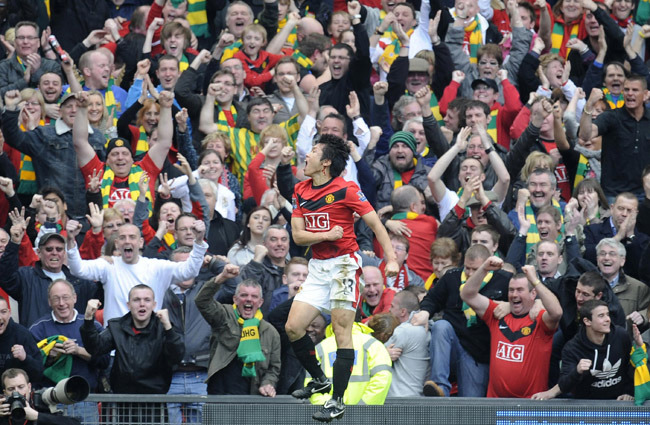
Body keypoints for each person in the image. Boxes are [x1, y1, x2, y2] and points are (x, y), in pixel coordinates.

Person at [284, 134, 398, 422]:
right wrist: (326, 235)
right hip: (318, 267)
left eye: (313, 151)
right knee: (293, 327)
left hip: (344, 265)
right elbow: (298, 236)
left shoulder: (347, 189)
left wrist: (392, 259)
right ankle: (320, 380)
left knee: (340, 331)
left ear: (325, 163)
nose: (306, 155)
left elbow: (376, 224)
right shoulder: (300, 189)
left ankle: (336, 400)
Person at [411, 244, 511, 397]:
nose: (469, 273)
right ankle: (439, 387)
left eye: (475, 269)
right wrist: (425, 312)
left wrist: (509, 306)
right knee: (441, 326)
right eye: (467, 268)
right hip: (452, 344)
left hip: (478, 353)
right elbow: (432, 299)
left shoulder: (504, 280)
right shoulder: (452, 276)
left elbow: (529, 299)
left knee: (470, 405)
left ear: (487, 266)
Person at [65, 220, 208, 324]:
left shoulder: (157, 267)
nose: (127, 241)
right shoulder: (108, 265)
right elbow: (78, 269)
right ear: (117, 244)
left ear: (140, 243)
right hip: (115, 347)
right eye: (122, 238)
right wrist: (71, 240)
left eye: (132, 237)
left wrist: (199, 240)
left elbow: (189, 271)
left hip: (148, 345)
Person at [460, 261, 562, 398]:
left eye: (520, 290)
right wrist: (484, 268)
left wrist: (535, 280)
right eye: (511, 290)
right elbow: (467, 295)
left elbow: (557, 312)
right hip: (497, 404)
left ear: (533, 294)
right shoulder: (497, 313)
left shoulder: (539, 319)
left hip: (530, 404)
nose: (514, 295)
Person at [195, 264, 281, 397]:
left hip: (252, 397)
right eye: (244, 295)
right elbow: (202, 301)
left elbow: (273, 368)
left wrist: (267, 383)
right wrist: (222, 277)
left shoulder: (270, 332)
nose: (249, 299)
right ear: (235, 299)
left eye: (254, 296)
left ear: (260, 302)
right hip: (219, 395)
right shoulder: (224, 315)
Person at [28, 279, 107, 424]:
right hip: (51, 402)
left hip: (86, 401)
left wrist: (78, 351)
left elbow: (105, 361)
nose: (61, 303)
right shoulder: (38, 329)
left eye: (65, 297)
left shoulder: (91, 325)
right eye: (56, 299)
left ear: (75, 298)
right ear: (49, 302)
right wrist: (49, 358)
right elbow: (30, 369)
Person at [0, 226, 100, 328]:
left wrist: (97, 230)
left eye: (59, 249)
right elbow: (4, 276)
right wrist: (14, 243)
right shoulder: (26, 277)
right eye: (49, 249)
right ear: (39, 253)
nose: (54, 253)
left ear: (64, 253)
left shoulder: (79, 280)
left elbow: (101, 298)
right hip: (37, 337)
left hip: (73, 337)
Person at [533, 300, 634, 400]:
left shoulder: (621, 336)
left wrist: (629, 392)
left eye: (607, 314)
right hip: (586, 404)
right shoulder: (573, 348)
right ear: (587, 321)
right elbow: (564, 384)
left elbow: (630, 366)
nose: (607, 319)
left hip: (617, 401)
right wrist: (577, 371)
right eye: (601, 316)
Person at [579, 76, 650, 200]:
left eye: (635, 90)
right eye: (626, 90)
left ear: (645, 95)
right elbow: (585, 135)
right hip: (613, 193)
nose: (630, 93)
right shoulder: (611, 117)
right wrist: (589, 105)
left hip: (645, 192)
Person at [584, 192, 650, 280]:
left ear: (636, 214)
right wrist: (617, 237)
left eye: (629, 211)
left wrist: (630, 236)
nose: (624, 214)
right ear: (612, 208)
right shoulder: (592, 230)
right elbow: (588, 257)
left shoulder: (643, 239)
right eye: (621, 208)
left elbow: (641, 270)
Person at [386, 290, 430, 397]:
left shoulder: (404, 331)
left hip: (400, 397)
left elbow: (374, 354)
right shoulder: (427, 328)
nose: (389, 310)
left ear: (403, 312)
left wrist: (384, 353)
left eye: (392, 306)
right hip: (420, 397)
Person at [0, 368, 81, 425]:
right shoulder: (2, 408)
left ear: (29, 387)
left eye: (21, 387)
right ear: (5, 392)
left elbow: (76, 423)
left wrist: (37, 416)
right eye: (11, 389)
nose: (16, 392)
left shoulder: (40, 402)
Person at [0, 297, 43, 383]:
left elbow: (39, 372)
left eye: (3, 312)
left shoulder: (22, 334)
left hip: (16, 388)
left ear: (9, 313)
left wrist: (25, 358)